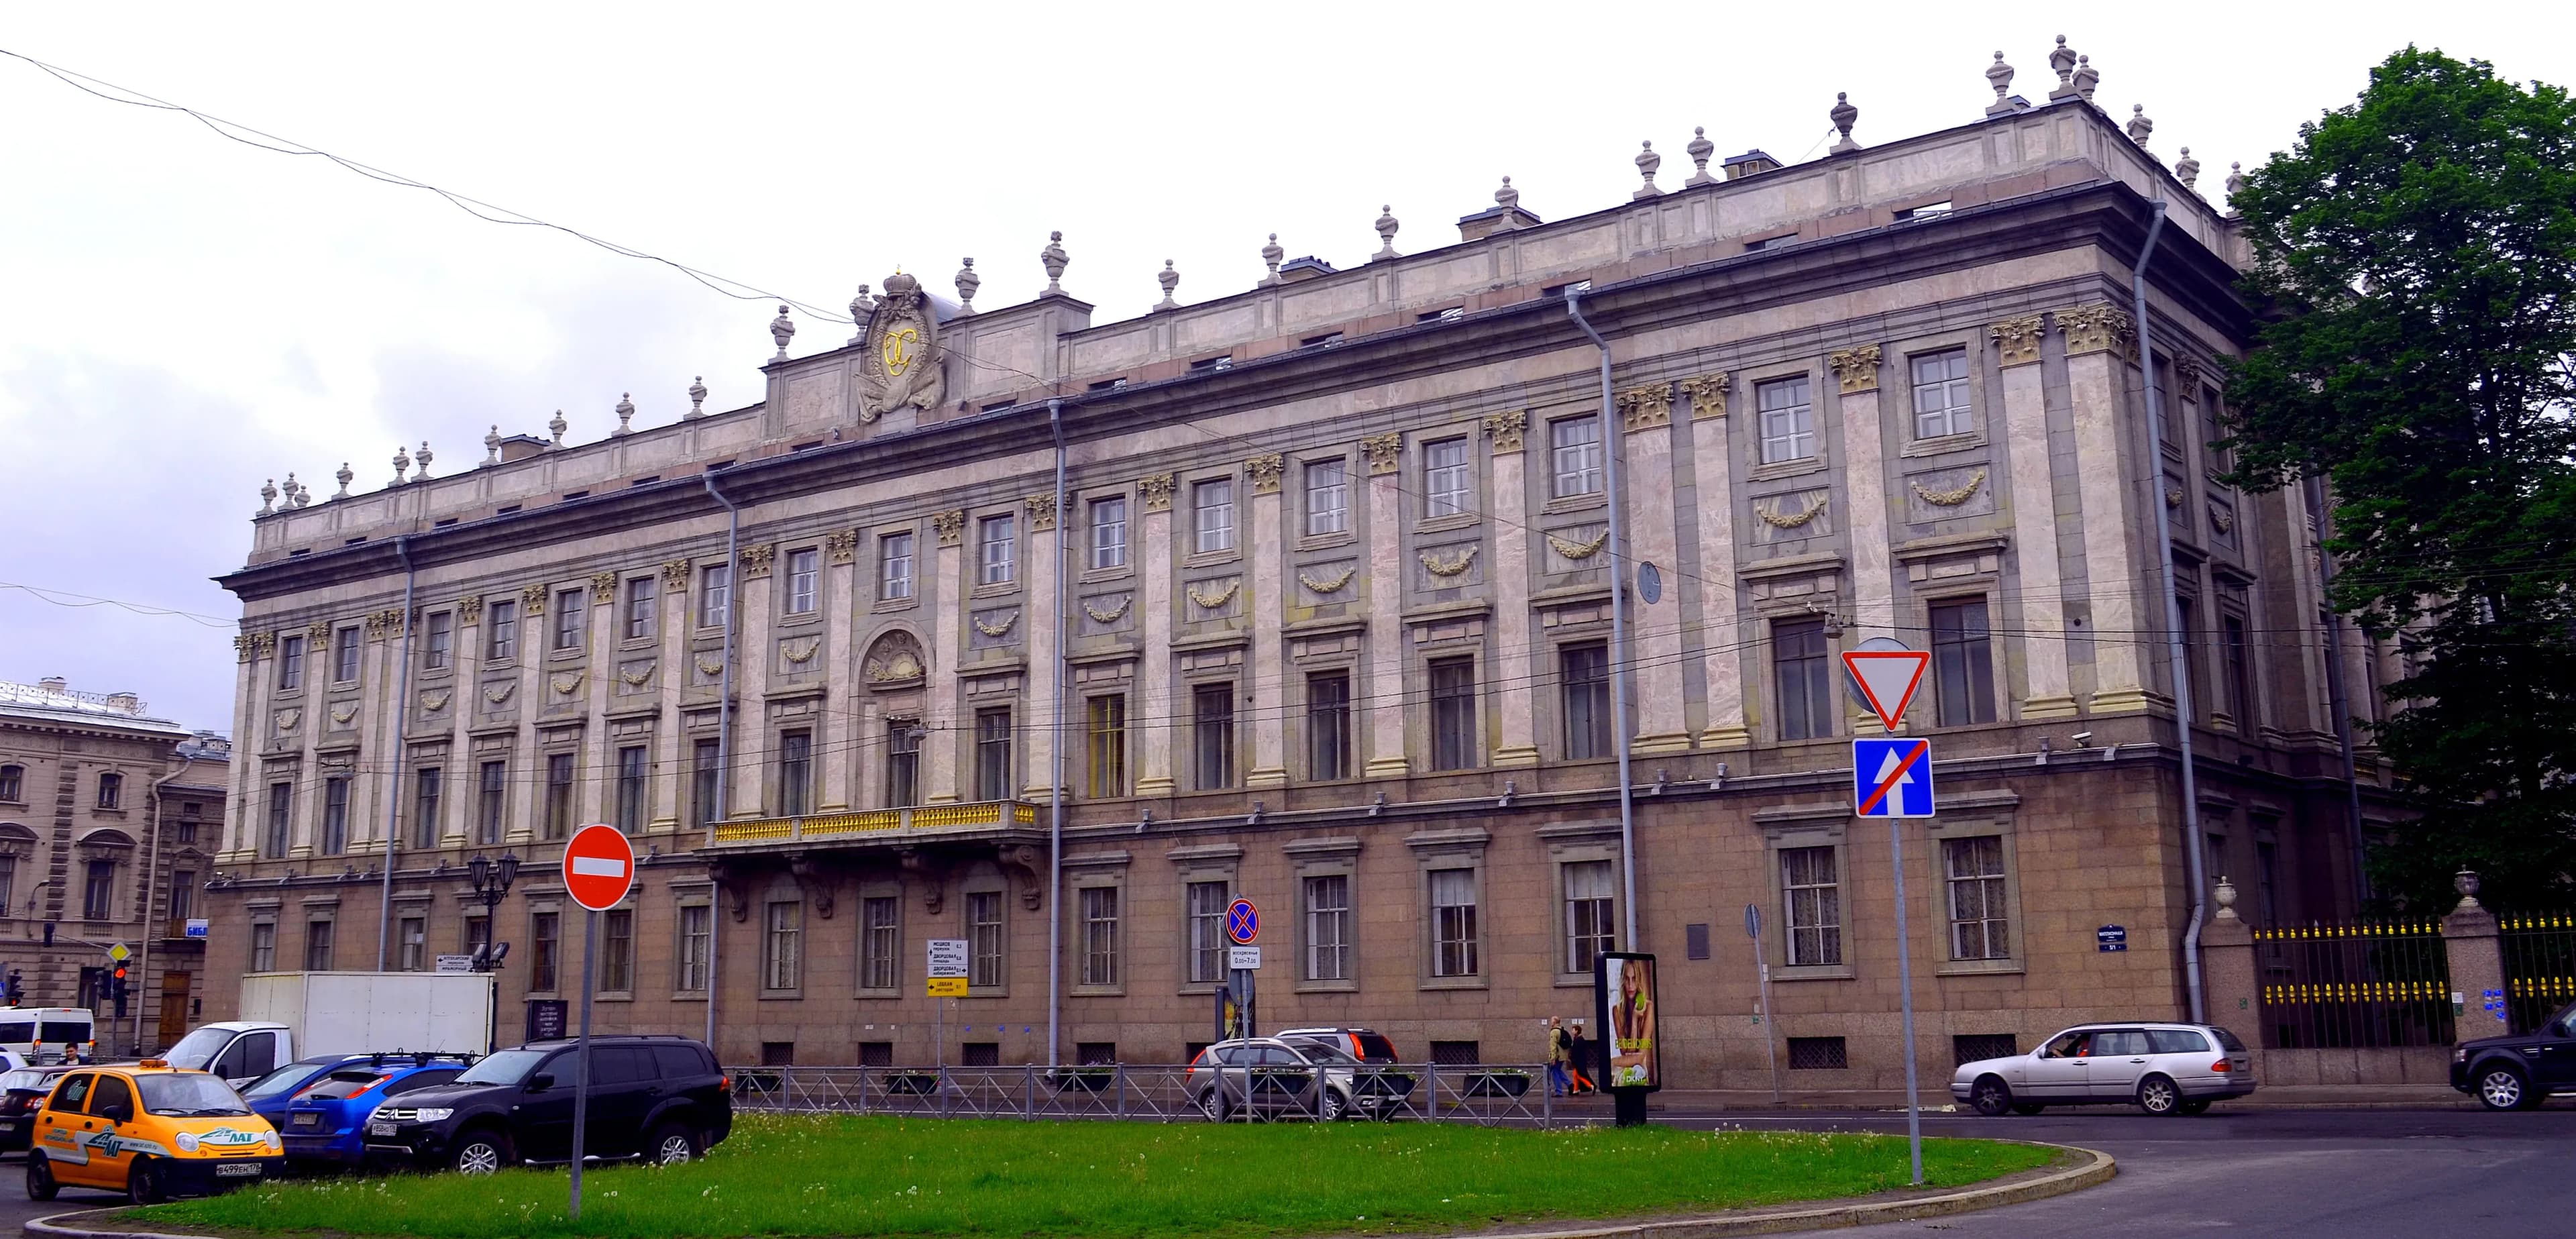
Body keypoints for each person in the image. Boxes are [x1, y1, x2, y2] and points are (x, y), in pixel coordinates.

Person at [1566, 1019, 1597, 1095]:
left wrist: (1573, 1059)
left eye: (1573, 1030)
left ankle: (1590, 1085)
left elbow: (1577, 1052)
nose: (1572, 1031)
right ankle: (1576, 1090)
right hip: (1578, 1061)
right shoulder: (1577, 1039)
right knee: (1575, 1075)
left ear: (1577, 1031)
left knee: (1579, 1075)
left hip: (1578, 1061)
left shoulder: (1579, 1040)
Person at [1546, 1018, 1571, 1097]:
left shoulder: (1554, 1032)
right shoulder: (1562, 1030)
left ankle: (1558, 1091)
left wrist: (1552, 1058)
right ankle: (1570, 1084)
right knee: (1557, 1070)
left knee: (1554, 1072)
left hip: (1557, 1056)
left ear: (1554, 1022)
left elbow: (1553, 1046)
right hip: (1563, 1055)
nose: (1551, 1022)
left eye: (1551, 1021)